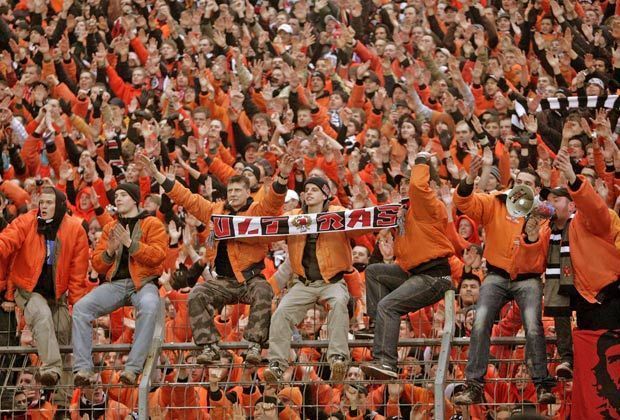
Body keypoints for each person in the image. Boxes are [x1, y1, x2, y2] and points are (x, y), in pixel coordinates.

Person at [137, 153, 294, 365]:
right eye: (230, 190)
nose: (234, 194)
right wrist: (157, 174)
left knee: (264, 290)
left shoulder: (256, 211)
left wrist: (283, 176)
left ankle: (254, 345)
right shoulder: (214, 211)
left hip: (250, 278)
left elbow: (273, 203)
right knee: (198, 294)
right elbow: (186, 198)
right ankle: (209, 347)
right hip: (222, 280)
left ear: (248, 192)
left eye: (238, 190)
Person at [452, 155, 556, 405]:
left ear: (537, 189)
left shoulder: (544, 216)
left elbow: (539, 259)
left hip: (528, 278)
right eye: (518, 181)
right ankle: (474, 385)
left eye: (528, 183)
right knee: (480, 320)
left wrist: (531, 237)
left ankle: (541, 384)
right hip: (496, 274)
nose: (521, 185)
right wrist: (469, 179)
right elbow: (464, 203)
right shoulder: (496, 201)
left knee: (533, 324)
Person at [516, 147, 620, 379]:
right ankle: (567, 359)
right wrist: (530, 239)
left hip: (604, 298)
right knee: (595, 367)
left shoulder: (585, 221)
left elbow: (596, 209)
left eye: (556, 199)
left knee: (609, 360)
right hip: (578, 301)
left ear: (572, 206)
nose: (549, 203)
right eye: (547, 199)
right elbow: (530, 267)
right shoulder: (546, 230)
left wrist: (573, 179)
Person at [361, 153, 455, 379]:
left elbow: (418, 186)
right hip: (415, 273)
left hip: (434, 276)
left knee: (388, 306)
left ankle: (387, 363)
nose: (405, 188)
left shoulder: (430, 204)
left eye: (407, 184)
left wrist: (421, 161)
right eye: (401, 185)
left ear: (429, 185)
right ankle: (378, 329)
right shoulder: (406, 213)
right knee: (374, 272)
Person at [0, 186, 88, 411]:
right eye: (42, 202)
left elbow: (78, 273)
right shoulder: (26, 221)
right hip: (27, 290)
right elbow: (6, 241)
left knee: (65, 335)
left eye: (49, 202)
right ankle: (50, 368)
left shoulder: (75, 229)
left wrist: (77, 306)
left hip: (57, 295)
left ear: (59, 206)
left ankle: (62, 402)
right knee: (41, 314)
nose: (44, 207)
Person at [72, 183, 168, 386]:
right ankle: (83, 368)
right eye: (116, 195)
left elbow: (158, 256)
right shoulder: (109, 228)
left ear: (135, 199)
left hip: (143, 283)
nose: (118, 198)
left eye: (123, 195)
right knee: (81, 308)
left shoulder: (152, 224)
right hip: (115, 284)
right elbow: (97, 264)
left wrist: (130, 244)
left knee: (150, 306)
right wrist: (109, 252)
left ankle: (132, 369)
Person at [263, 177, 355, 383]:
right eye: (307, 190)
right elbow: (269, 224)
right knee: (280, 314)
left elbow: (363, 226)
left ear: (325, 194)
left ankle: (338, 358)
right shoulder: (294, 216)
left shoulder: (338, 213)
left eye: (315, 189)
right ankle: (277, 364)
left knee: (340, 303)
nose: (309, 193)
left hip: (332, 281)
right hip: (303, 283)